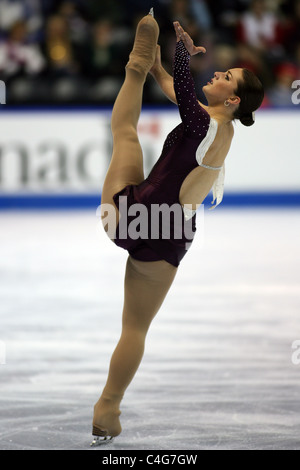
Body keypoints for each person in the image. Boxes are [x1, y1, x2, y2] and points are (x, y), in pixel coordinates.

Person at [91, 9, 264, 446]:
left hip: (132, 213)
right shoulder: (218, 129)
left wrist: (179, 51)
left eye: (225, 76)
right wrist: (160, 66)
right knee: (135, 328)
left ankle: (132, 67)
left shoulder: (205, 121)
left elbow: (184, 87)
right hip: (168, 235)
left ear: (233, 100)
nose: (219, 74)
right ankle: (108, 408)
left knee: (125, 133)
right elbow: (175, 89)